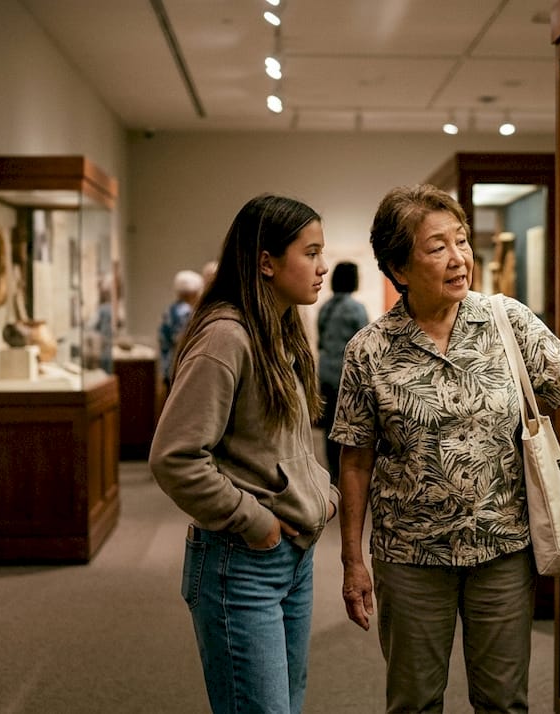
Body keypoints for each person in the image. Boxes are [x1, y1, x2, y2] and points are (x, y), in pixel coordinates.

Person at [331, 184, 560, 713]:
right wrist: (353, 559)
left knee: (504, 703)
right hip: (410, 557)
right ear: (398, 267)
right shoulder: (369, 350)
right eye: (436, 246)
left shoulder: (503, 320)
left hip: (503, 550)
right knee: (414, 702)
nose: (458, 257)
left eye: (462, 241)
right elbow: (354, 459)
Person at [148, 194, 338, 714]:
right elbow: (176, 456)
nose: (323, 267)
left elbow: (284, 442)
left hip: (291, 557)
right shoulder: (226, 337)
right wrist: (254, 520)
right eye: (311, 252)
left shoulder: (278, 330)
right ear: (266, 261)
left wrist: (321, 493)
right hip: (243, 560)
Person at [316, 261, 368, 484]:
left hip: (326, 373)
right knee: (350, 429)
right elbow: (366, 345)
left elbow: (320, 341)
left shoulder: (325, 307)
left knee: (330, 428)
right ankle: (348, 473)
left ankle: (333, 474)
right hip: (347, 377)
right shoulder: (355, 309)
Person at [158, 269, 204, 389]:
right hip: (178, 367)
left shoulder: (170, 309)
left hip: (167, 365)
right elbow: (182, 341)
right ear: (193, 293)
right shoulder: (186, 313)